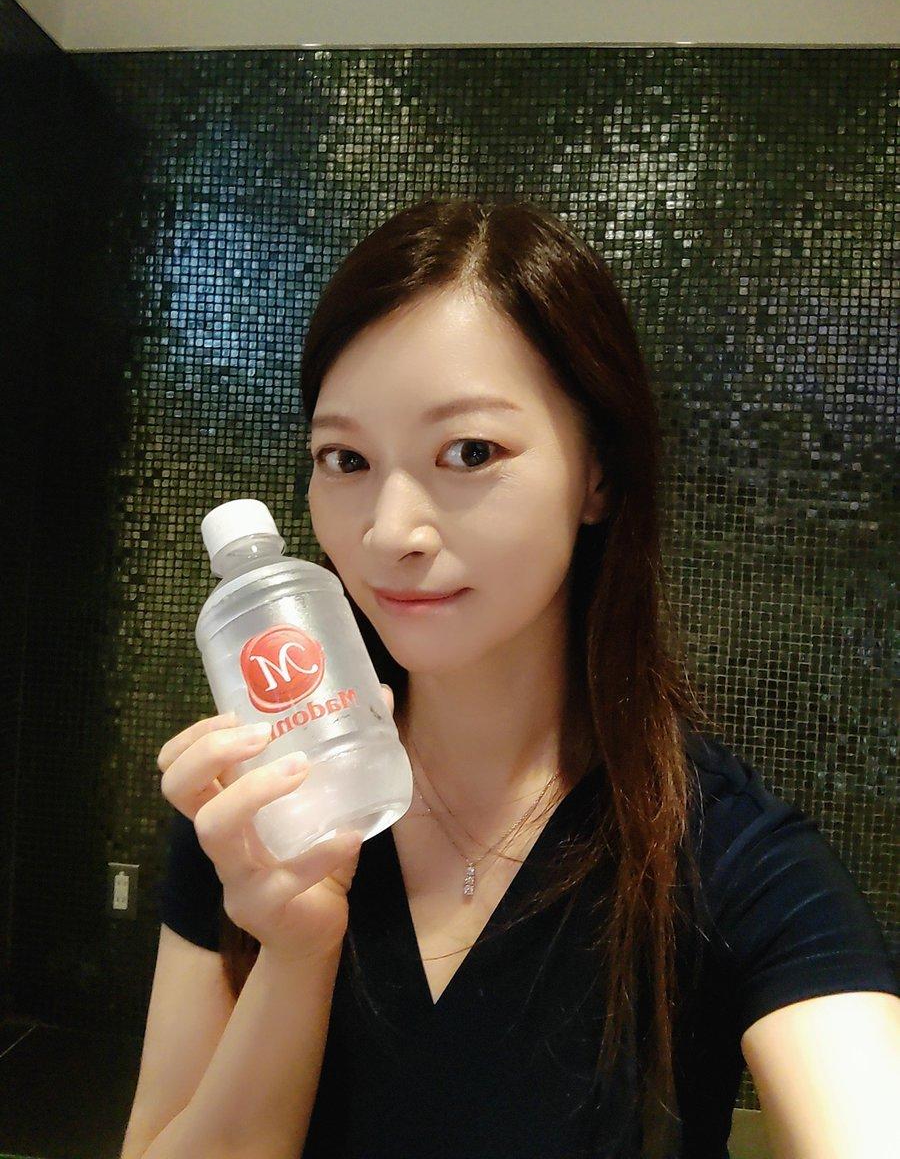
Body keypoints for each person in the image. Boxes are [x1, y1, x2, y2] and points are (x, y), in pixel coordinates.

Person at [123, 197, 899, 1159]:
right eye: (345, 458)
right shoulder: (255, 812)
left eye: (470, 452)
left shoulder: (728, 857)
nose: (390, 532)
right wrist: (296, 951)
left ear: (598, 473)